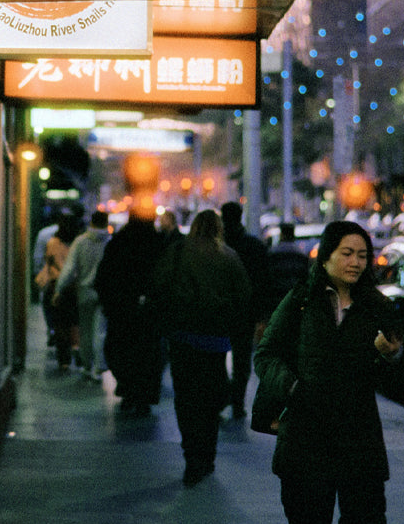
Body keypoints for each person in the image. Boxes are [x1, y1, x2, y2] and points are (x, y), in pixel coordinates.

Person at [253, 220, 404, 524]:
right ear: (325, 257)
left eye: (363, 255)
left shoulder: (377, 307)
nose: (356, 262)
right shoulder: (301, 301)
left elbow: (391, 377)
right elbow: (266, 354)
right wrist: (292, 387)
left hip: (358, 437)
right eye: (347, 253)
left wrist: (390, 356)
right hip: (307, 437)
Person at [153, 209, 251, 484]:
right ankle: (207, 456)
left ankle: (190, 456)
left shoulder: (177, 251)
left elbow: (159, 285)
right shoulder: (229, 256)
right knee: (209, 399)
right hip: (215, 339)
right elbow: (243, 296)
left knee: (186, 399)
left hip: (182, 336)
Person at [94, 212, 167, 415]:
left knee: (121, 350)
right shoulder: (158, 244)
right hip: (149, 314)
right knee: (149, 355)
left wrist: (110, 304)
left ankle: (127, 389)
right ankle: (144, 395)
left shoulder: (118, 243)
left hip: (121, 311)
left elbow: (104, 277)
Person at [220, 201, 272, 419]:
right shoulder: (254, 246)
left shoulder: (217, 246)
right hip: (245, 312)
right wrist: (261, 313)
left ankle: (223, 397)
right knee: (242, 361)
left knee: (216, 358)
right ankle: (237, 402)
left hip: (220, 311)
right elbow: (263, 282)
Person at [54, 210, 111, 378]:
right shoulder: (109, 242)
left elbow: (70, 268)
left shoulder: (80, 242)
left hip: (84, 292)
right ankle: (99, 367)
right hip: (103, 292)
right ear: (106, 223)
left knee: (85, 330)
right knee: (100, 330)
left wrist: (59, 289)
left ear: (91, 222)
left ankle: (87, 366)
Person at [35, 213, 82, 361]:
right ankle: (76, 347)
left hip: (56, 286)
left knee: (59, 322)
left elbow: (47, 261)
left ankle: (64, 359)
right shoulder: (77, 242)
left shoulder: (52, 242)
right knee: (74, 321)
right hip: (74, 286)